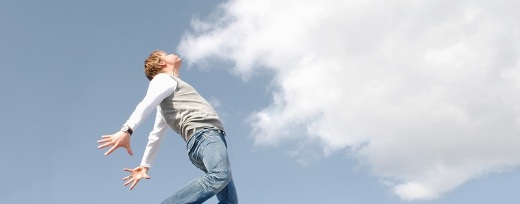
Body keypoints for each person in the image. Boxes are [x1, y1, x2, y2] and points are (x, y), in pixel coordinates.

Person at [97, 50, 238, 204]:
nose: (172, 53)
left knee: (229, 201)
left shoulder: (167, 102)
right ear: (161, 63)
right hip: (204, 136)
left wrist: (145, 165)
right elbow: (147, 102)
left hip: (204, 141)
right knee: (220, 175)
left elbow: (156, 135)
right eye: (166, 53)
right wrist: (127, 129)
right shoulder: (163, 79)